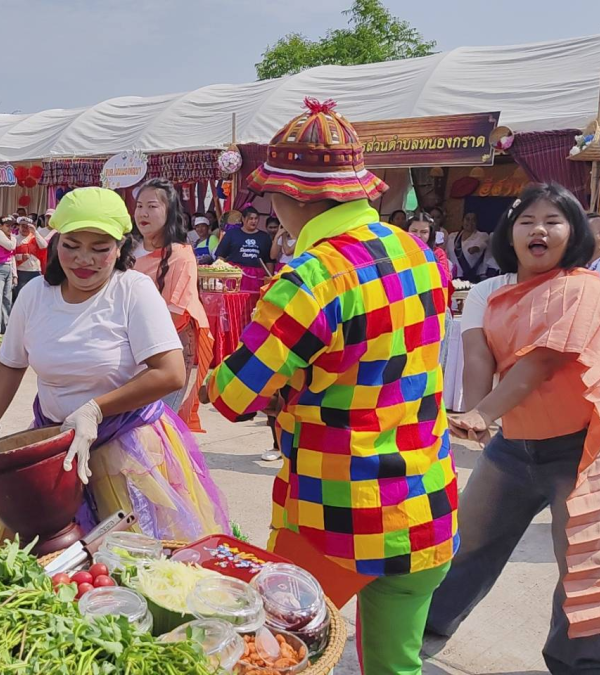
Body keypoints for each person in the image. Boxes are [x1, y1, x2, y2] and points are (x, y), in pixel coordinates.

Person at [208, 98, 455, 675]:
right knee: (395, 666)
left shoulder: (312, 277)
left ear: (291, 196)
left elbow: (234, 395)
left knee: (269, 655)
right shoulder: (419, 254)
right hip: (424, 502)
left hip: (336, 513)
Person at [426, 183, 600, 673]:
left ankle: (583, 667)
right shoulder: (493, 290)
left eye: (553, 220)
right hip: (512, 449)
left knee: (585, 569)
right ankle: (424, 632)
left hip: (581, 453)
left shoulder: (584, 290)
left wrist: (485, 412)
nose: (539, 230)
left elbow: (542, 362)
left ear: (573, 234)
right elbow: (480, 353)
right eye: (527, 220)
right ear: (511, 231)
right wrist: (473, 414)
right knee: (468, 546)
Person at [0, 187, 230, 541]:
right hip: (56, 446)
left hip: (126, 446)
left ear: (121, 248)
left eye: (100, 249)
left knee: (129, 565)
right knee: (54, 562)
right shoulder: (35, 295)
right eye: (72, 245)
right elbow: (12, 364)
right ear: (56, 242)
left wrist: (94, 409)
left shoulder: (132, 290)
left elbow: (170, 373)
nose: (84, 260)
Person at [130, 178, 214, 433]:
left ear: (169, 211)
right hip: (129, 346)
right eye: (139, 206)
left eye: (152, 206)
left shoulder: (180, 254)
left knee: (157, 424)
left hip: (167, 345)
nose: (143, 213)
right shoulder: (127, 250)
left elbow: (175, 312)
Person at [213, 205, 273, 291]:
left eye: (256, 218)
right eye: (251, 218)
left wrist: (269, 279)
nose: (254, 221)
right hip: (235, 275)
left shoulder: (264, 237)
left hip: (256, 277)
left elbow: (269, 261)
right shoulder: (231, 234)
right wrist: (219, 276)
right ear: (243, 219)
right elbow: (221, 256)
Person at [405, 213, 452, 301]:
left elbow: (444, 279)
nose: (418, 235)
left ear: (430, 234)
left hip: (431, 300)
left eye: (424, 232)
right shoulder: (398, 252)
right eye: (414, 231)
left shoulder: (437, 253)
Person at [447, 211, 494, 282]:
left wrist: (475, 249)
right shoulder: (452, 236)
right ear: (462, 221)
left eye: (473, 220)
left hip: (472, 277)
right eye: (467, 219)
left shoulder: (482, 236)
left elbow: (482, 245)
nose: (470, 222)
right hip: (454, 277)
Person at [12, 215, 49, 298]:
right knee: (21, 296)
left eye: (27, 226)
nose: (25, 228)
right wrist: (21, 257)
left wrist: (35, 232)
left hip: (35, 271)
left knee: (35, 296)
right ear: (19, 226)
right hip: (21, 271)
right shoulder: (15, 239)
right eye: (23, 226)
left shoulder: (35, 237)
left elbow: (44, 246)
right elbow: (12, 256)